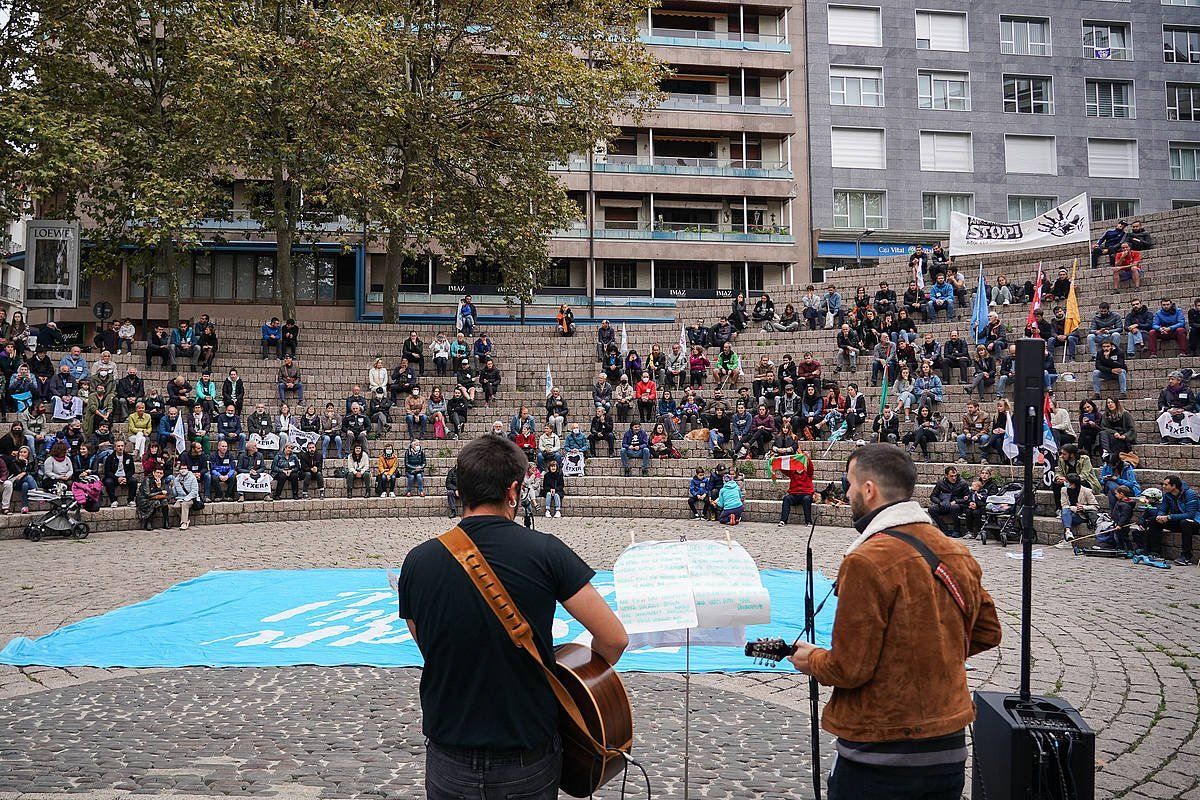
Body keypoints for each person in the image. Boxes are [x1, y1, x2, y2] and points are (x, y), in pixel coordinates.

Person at [397, 434, 627, 798]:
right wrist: (581, 684)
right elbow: (614, 638)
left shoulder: (417, 561)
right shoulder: (547, 552)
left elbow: (429, 645)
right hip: (526, 754)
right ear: (514, 491)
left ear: (459, 491)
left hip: (449, 756)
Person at [788, 443, 1001, 800]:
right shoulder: (955, 550)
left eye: (851, 484)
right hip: (948, 745)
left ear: (868, 490)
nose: (848, 492)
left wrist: (810, 660)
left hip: (880, 754)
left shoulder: (866, 560)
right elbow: (987, 631)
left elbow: (850, 667)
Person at [1145, 476, 1197, 566]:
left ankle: (1186, 556)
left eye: (1166, 484)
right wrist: (1159, 516)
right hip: (1177, 521)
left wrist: (1169, 517)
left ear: (1174, 486)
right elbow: (1163, 509)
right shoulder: (1167, 495)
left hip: (1193, 522)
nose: (1163, 486)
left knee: (1185, 523)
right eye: (1163, 484)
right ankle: (1156, 552)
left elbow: (1190, 514)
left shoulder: (1189, 494)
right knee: (1153, 520)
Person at [929, 466, 969, 537]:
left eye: (955, 476)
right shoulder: (941, 483)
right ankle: (944, 529)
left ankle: (957, 530)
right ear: (946, 475)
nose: (954, 478)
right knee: (932, 509)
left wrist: (956, 501)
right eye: (951, 476)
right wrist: (939, 502)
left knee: (954, 507)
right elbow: (933, 496)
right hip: (944, 504)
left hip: (958, 506)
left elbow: (968, 498)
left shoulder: (963, 483)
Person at [778, 451, 814, 526]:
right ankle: (783, 520)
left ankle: (808, 521)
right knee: (786, 499)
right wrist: (776, 461)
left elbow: (811, 467)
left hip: (806, 494)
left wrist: (808, 458)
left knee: (807, 499)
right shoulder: (792, 471)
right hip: (794, 495)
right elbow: (783, 468)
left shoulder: (808, 471)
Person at [101, 439, 138, 507]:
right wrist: (117, 478)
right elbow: (107, 472)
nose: (120, 448)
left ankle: (131, 500)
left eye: (122, 446)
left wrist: (125, 477)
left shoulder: (129, 457)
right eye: (118, 446)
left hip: (125, 477)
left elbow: (132, 470)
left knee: (134, 481)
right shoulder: (110, 458)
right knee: (108, 482)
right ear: (115, 447)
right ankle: (113, 501)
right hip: (114, 478)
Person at [136, 466, 170, 530]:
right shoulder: (147, 479)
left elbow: (166, 493)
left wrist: (159, 487)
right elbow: (147, 494)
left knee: (165, 501)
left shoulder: (162, 480)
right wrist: (160, 491)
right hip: (144, 499)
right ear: (154, 473)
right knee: (156, 503)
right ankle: (148, 521)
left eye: (161, 473)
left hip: (156, 497)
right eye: (157, 472)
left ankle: (166, 521)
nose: (159, 475)